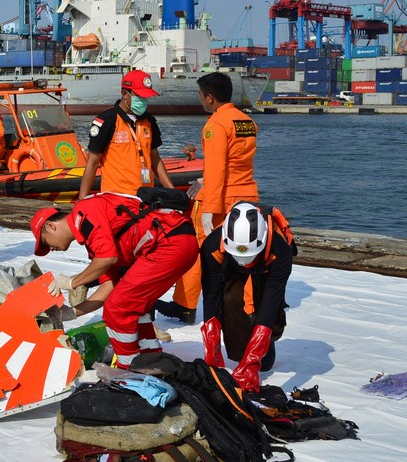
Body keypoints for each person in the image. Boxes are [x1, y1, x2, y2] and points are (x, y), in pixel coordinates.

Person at [31, 192, 198, 368]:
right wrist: (71, 313)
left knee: (117, 309)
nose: (49, 249)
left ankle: (129, 371)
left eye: (44, 242)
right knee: (133, 308)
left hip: (168, 242)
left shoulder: (83, 211)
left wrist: (72, 282)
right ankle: (152, 361)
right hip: (172, 242)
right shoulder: (94, 241)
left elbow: (106, 259)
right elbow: (108, 286)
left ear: (50, 226)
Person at [158, 72, 259, 324]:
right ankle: (250, 306)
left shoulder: (216, 125)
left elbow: (216, 170)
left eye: (201, 95)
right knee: (245, 254)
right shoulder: (246, 121)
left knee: (197, 252)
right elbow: (237, 163)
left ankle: (185, 305)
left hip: (221, 199)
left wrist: (208, 209)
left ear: (210, 98)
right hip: (246, 196)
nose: (200, 99)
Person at [200, 202, 292, 392]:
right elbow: (211, 296)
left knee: (265, 361)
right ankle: (241, 347)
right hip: (228, 265)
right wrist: (212, 353)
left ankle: (265, 346)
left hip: (265, 266)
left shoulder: (280, 250)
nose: (245, 262)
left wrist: (253, 361)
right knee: (231, 301)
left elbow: (271, 301)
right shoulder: (211, 246)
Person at [78, 69, 175, 200]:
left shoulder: (149, 121)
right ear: (124, 93)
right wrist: (82, 198)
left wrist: (173, 193)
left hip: (145, 197)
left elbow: (155, 159)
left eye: (146, 97)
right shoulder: (107, 120)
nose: (143, 100)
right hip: (116, 198)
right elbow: (93, 162)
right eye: (139, 96)